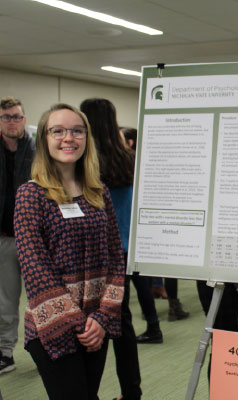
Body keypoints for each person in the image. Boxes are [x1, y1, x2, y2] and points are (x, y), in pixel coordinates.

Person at [14, 103, 125, 399]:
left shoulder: (98, 192)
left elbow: (116, 257)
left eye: (77, 131)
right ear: (44, 139)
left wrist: (102, 318)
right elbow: (35, 268)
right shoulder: (31, 195)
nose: (69, 138)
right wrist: (80, 324)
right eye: (58, 131)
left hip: (95, 325)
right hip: (53, 326)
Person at [80, 98, 142, 400]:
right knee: (122, 321)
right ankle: (132, 391)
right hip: (125, 250)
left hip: (95, 254)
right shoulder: (128, 157)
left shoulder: (88, 164)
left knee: (94, 322)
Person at [0, 96, 35, 374]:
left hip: (35, 237)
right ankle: (5, 352)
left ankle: (45, 348)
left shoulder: (38, 148)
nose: (12, 121)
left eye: (17, 116)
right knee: (7, 300)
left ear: (24, 118)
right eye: (6, 117)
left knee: (41, 296)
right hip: (5, 237)